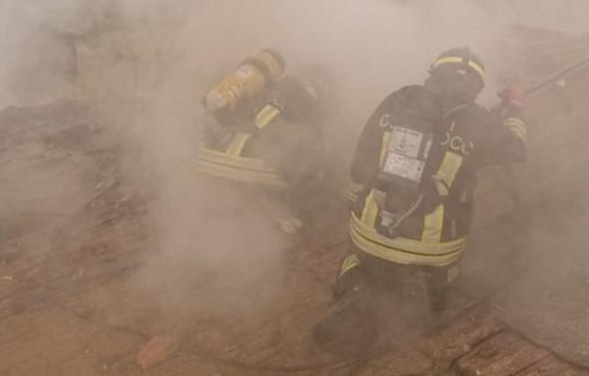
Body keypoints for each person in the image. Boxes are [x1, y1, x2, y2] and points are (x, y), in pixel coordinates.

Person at [314, 47, 527, 351]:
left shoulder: (397, 101)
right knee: (447, 273)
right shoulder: (479, 121)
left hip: (370, 232)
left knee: (357, 257)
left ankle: (356, 287)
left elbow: (363, 156)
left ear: (433, 75)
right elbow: (516, 149)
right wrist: (515, 107)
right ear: (476, 88)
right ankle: (429, 287)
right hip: (433, 247)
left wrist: (355, 206)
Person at [197, 48, 330, 234]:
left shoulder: (268, 86)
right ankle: (288, 216)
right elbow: (312, 143)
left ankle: (223, 207)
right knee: (314, 167)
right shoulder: (305, 97)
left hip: (213, 159)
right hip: (252, 166)